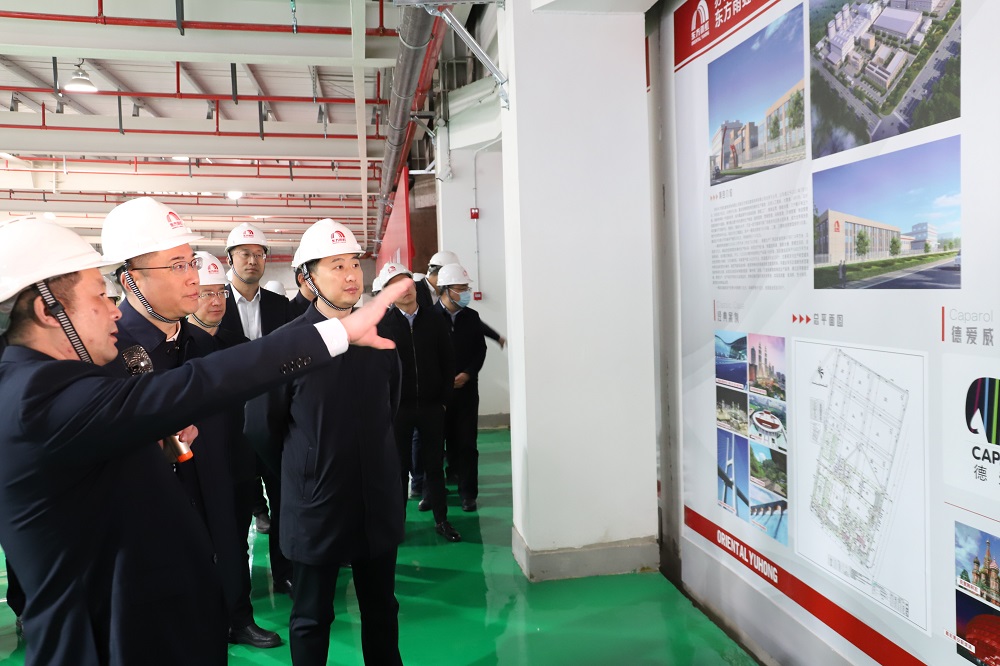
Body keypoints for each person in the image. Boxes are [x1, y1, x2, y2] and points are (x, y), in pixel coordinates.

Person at [0, 215, 410, 665]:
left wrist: (154, 449)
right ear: (48, 311)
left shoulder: (49, 386)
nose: (114, 310)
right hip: (107, 643)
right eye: (99, 296)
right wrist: (335, 333)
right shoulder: (35, 398)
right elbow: (203, 383)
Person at [101, 199, 284, 650]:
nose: (193, 278)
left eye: (191, 263)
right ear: (130, 279)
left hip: (217, 485)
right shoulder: (107, 353)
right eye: (176, 266)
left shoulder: (201, 346)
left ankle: (235, 618)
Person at [249, 219, 404, 665]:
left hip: (375, 501)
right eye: (336, 266)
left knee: (382, 609)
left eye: (354, 263)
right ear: (307, 277)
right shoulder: (287, 345)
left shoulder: (381, 340)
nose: (352, 275)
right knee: (312, 616)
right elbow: (260, 428)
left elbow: (390, 411)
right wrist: (307, 469)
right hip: (317, 506)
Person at [217, 222, 294, 594]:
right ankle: (236, 590)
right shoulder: (213, 305)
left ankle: (285, 573)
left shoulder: (281, 307)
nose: (252, 260)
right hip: (230, 426)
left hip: (275, 423)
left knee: (283, 502)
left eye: (259, 253)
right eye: (244, 253)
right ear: (229, 259)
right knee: (234, 509)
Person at [376, 263, 460, 542]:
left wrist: (444, 401)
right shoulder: (383, 326)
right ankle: (396, 524)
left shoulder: (435, 320)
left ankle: (442, 520)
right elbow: (378, 371)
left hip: (431, 406)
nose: (406, 289)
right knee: (398, 470)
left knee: (434, 466)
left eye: (408, 282)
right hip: (398, 410)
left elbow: (448, 361)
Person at [434, 263, 487, 512]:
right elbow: (424, 355)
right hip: (438, 395)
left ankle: (468, 494)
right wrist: (443, 379)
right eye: (460, 288)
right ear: (445, 290)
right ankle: (432, 494)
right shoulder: (429, 318)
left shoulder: (471, 317)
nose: (465, 293)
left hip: (466, 392)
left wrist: (468, 373)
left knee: (467, 444)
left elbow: (480, 349)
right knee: (434, 447)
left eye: (466, 288)